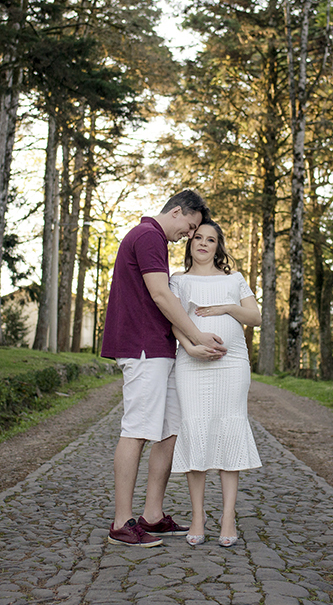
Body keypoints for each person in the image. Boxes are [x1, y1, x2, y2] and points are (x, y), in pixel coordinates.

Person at [100, 190, 228, 547]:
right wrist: (197, 334)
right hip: (142, 349)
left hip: (159, 349)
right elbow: (161, 294)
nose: (188, 236)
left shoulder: (152, 238)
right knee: (137, 429)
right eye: (189, 227)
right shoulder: (148, 236)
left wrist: (186, 343)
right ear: (175, 212)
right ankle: (122, 522)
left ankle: (152, 516)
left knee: (170, 429)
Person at [169, 218, 262, 548]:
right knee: (196, 429)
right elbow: (172, 321)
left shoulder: (234, 279)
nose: (204, 243)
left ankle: (227, 515)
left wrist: (224, 307)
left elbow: (255, 316)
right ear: (190, 242)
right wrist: (191, 346)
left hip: (232, 364)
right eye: (198, 237)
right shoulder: (177, 281)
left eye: (211, 239)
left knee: (228, 430)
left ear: (218, 246)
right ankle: (197, 515)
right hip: (191, 364)